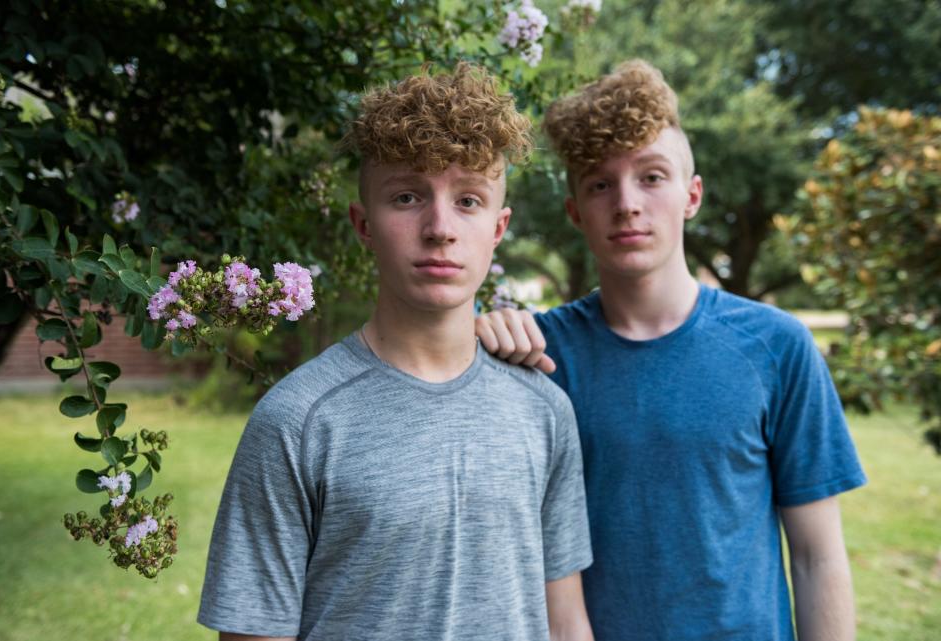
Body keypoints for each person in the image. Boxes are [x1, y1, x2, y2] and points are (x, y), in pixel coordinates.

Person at [197, 64, 594, 641]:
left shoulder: (544, 410)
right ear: (364, 223)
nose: (439, 228)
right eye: (407, 197)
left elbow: (567, 623)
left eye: (468, 200)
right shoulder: (297, 421)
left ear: (499, 227)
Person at [476, 59, 867, 641]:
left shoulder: (777, 347)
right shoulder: (536, 355)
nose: (627, 203)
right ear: (574, 211)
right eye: (600, 184)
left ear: (692, 195)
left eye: (651, 177)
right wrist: (474, 334)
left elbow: (817, 557)